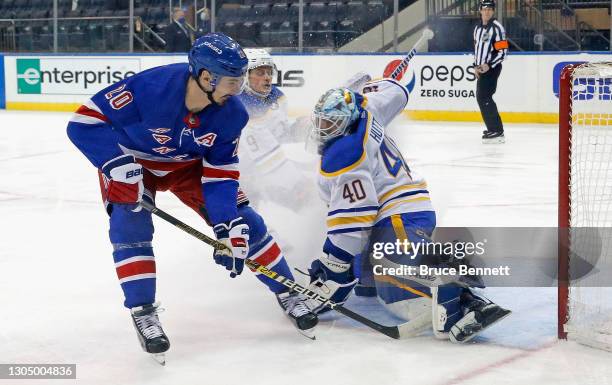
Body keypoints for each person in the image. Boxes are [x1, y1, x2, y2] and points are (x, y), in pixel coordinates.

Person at [66, 33, 318, 363]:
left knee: (248, 225)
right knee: (130, 228)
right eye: (232, 80)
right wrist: (115, 164)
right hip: (133, 163)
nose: (239, 88)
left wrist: (228, 225)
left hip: (189, 167)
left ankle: (287, 291)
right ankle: (143, 311)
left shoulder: (232, 115)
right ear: (205, 76)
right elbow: (83, 122)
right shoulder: (151, 87)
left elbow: (221, 175)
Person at [302, 71, 510, 343]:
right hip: (406, 207)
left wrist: (334, 264)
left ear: (346, 122)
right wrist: (365, 87)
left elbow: (357, 219)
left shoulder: (345, 156)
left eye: (331, 122)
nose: (323, 128)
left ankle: (464, 300)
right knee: (367, 278)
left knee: (394, 286)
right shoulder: (368, 109)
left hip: (396, 212)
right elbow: (397, 91)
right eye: (321, 121)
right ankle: (441, 269)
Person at [236, 48, 314, 211]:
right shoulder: (236, 102)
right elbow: (261, 146)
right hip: (240, 175)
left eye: (269, 72)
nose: (267, 77)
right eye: (260, 72)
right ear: (245, 75)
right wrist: (295, 181)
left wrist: (299, 128)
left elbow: (278, 135)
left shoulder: (277, 97)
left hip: (264, 173)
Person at [473, 0, 508, 144]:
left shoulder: (497, 28)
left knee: (484, 97)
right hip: (481, 69)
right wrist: (476, 66)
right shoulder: (477, 28)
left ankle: (497, 131)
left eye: (490, 9)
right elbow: (477, 48)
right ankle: (493, 129)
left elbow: (503, 52)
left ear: (493, 11)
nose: (487, 11)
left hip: (492, 68)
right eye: (484, 9)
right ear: (480, 10)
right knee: (482, 97)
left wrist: (488, 65)